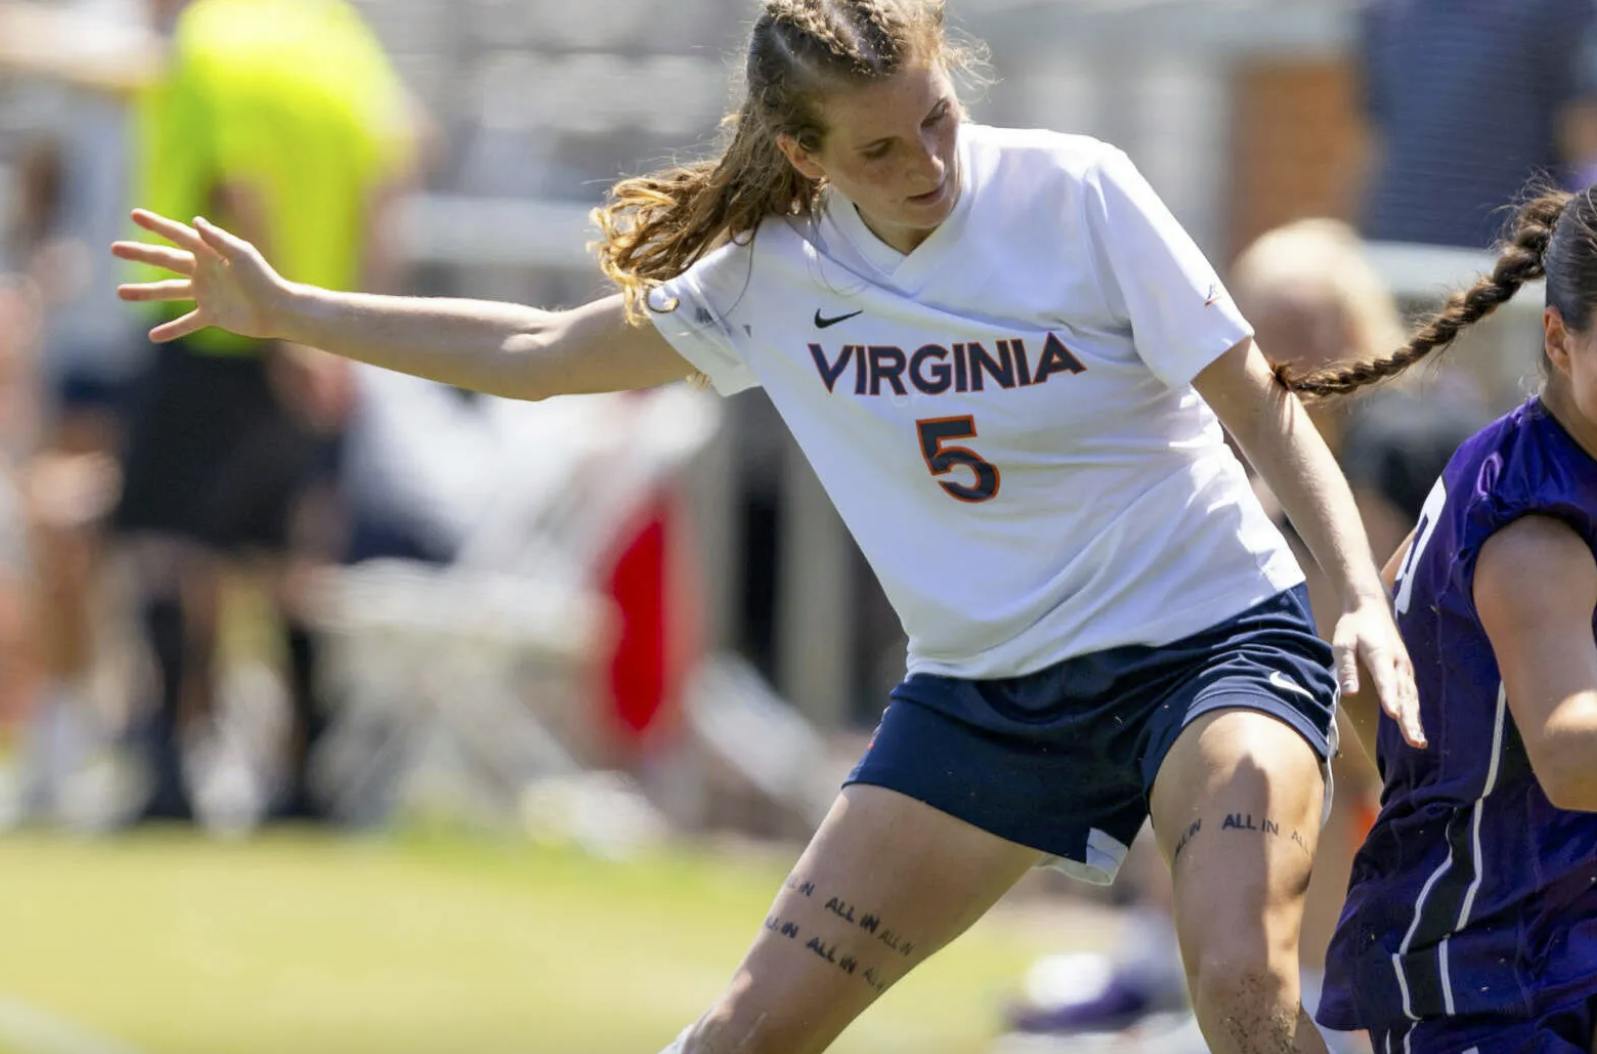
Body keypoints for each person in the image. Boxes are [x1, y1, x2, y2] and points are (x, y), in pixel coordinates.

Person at [111, 1, 1424, 1050]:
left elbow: (1265, 408)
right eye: (880, 148)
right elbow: (532, 347)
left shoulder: (1078, 193)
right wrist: (292, 309)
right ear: (800, 155)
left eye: (939, 120)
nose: (929, 166)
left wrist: (1351, 587)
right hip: (983, 697)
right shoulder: (770, 279)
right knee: (738, 1034)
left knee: (1241, 995)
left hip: (1205, 644)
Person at [1280, 189, 1597, 1053]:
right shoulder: (1535, 531)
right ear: (1557, 339)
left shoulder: (1515, 454)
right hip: (1496, 989)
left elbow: (1368, 681)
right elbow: (1571, 757)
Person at [113, 0, 413, 821]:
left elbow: (236, 188)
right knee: (293, 560)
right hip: (322, 341)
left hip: (213, 333)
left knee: (175, 552)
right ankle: (305, 781)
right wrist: (355, 326)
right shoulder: (341, 38)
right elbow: (395, 167)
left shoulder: (212, 38)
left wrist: (282, 333)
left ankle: (171, 773)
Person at [1359, 0, 1597, 249]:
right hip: (1399, 253)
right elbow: (1375, 144)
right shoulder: (1386, 14)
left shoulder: (1560, 9)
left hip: (1503, 258)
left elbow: (1584, 136)